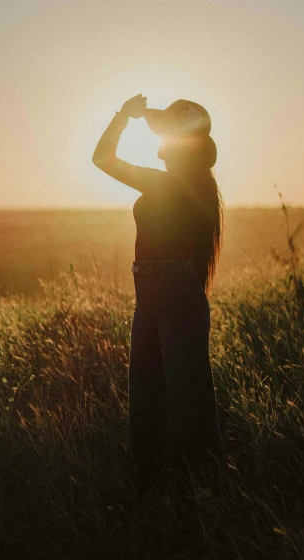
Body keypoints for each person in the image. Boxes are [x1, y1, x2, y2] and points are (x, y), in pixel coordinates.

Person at [92, 94, 224, 489]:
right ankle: (161, 490)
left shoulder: (172, 184)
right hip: (151, 295)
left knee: (181, 403)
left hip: (171, 296)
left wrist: (122, 117)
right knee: (155, 399)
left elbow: (102, 159)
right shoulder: (187, 185)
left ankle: (198, 493)